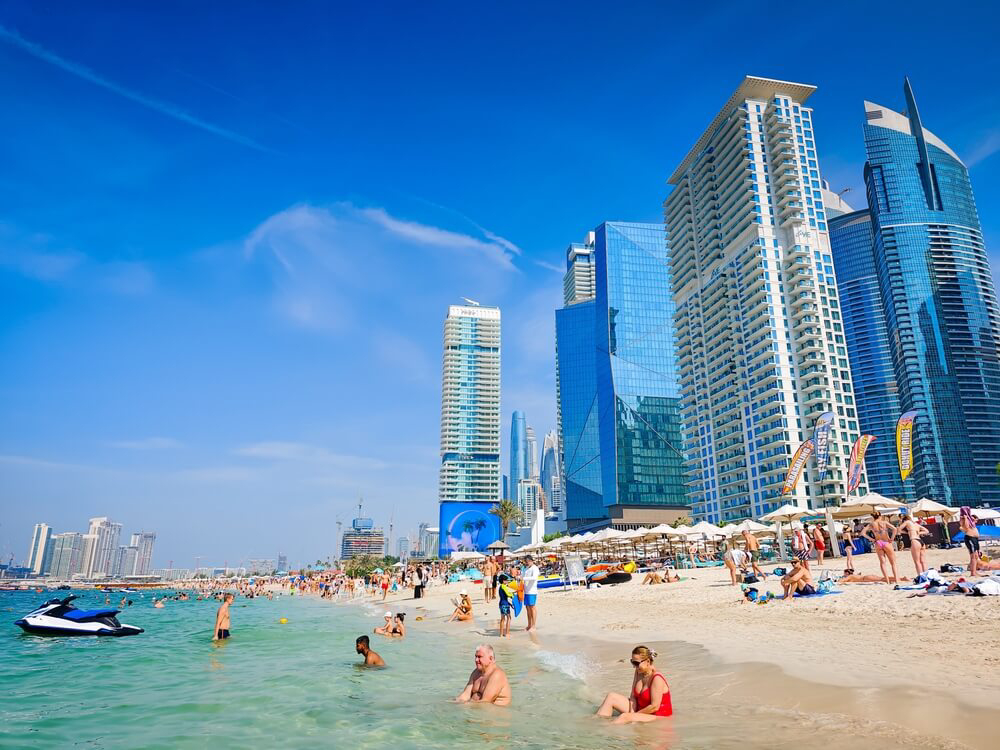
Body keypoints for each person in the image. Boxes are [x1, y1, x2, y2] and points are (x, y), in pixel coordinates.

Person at [595, 645, 673, 723]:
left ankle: (607, 729)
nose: (634, 666)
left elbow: (654, 707)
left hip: (658, 716)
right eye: (632, 662)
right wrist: (631, 714)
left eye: (636, 663)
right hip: (640, 709)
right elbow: (633, 696)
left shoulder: (657, 678)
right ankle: (597, 724)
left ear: (648, 661)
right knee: (611, 697)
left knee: (624, 717)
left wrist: (632, 716)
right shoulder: (639, 671)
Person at [862, 511, 900, 583]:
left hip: (878, 543)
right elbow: (895, 529)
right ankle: (897, 580)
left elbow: (863, 533)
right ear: (880, 516)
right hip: (886, 542)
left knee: (882, 563)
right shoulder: (884, 522)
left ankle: (887, 580)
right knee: (893, 563)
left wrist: (872, 539)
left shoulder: (871, 524)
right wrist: (892, 538)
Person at [897, 509, 931, 576]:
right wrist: (919, 532)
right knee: (923, 561)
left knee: (917, 562)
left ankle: (921, 577)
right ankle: (927, 576)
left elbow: (898, 529)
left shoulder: (907, 522)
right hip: (921, 541)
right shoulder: (916, 524)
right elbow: (927, 531)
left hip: (914, 540)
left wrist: (907, 532)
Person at [959, 506, 980, 577]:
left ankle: (975, 571)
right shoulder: (963, 519)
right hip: (970, 538)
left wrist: (971, 519)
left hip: (974, 538)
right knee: (973, 556)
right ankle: (973, 573)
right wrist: (965, 518)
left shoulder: (970, 519)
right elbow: (966, 527)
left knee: (976, 556)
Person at [522, 555, 540, 632]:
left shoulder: (535, 568)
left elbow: (534, 578)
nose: (526, 563)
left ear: (531, 560)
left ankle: (534, 625)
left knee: (532, 607)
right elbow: (522, 576)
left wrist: (523, 578)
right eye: (525, 562)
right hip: (526, 591)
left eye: (527, 562)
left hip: (532, 591)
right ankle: (529, 625)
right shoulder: (526, 568)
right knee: (527, 608)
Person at [496, 573, 513, 637]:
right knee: (509, 618)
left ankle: (501, 634)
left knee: (502, 619)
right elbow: (508, 594)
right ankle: (507, 633)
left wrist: (509, 604)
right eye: (506, 580)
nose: (507, 581)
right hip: (505, 604)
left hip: (501, 603)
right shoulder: (504, 586)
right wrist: (513, 595)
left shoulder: (500, 587)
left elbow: (503, 597)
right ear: (503, 581)